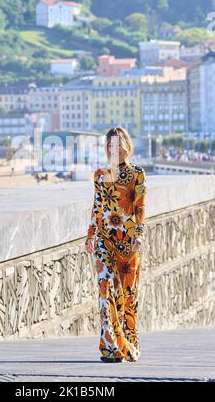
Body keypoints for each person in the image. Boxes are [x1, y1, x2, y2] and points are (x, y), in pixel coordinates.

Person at [85, 126, 147, 363]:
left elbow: (139, 209)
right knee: (105, 288)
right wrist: (90, 236)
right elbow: (97, 207)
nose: (114, 149)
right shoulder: (100, 175)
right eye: (110, 145)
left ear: (126, 146)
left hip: (128, 243)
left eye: (118, 144)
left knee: (127, 297)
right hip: (104, 241)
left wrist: (138, 236)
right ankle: (110, 347)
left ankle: (126, 344)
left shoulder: (137, 175)